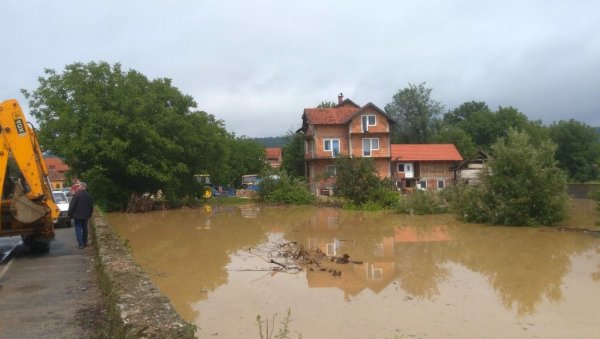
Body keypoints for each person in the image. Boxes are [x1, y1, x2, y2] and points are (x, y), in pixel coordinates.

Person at [67, 182, 94, 249]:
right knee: (85, 228)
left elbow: (72, 205)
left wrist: (69, 214)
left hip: (77, 215)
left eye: (79, 186)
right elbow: (91, 206)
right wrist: (90, 214)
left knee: (78, 229)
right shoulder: (88, 195)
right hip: (85, 215)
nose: (78, 187)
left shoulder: (77, 195)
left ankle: (81, 244)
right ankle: (85, 242)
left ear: (82, 187)